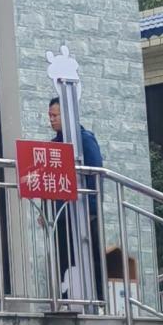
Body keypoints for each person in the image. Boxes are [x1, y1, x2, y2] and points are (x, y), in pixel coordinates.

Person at [47, 99, 106, 301]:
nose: (52, 120)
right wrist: (48, 210)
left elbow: (95, 175)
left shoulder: (84, 139)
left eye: (55, 115)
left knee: (92, 257)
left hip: (84, 211)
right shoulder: (54, 145)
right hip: (62, 213)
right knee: (64, 258)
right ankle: (66, 299)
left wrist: (92, 209)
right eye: (50, 116)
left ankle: (99, 299)